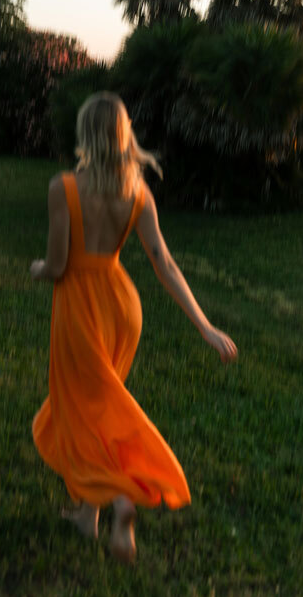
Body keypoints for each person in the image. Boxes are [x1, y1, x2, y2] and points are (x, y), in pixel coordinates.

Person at [30, 92, 237, 563]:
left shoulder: (63, 187)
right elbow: (163, 261)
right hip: (123, 307)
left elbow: (60, 265)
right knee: (99, 410)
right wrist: (204, 325)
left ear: (85, 134)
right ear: (124, 135)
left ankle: (123, 497)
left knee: (81, 411)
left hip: (81, 307)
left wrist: (37, 268)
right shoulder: (137, 190)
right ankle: (89, 516)